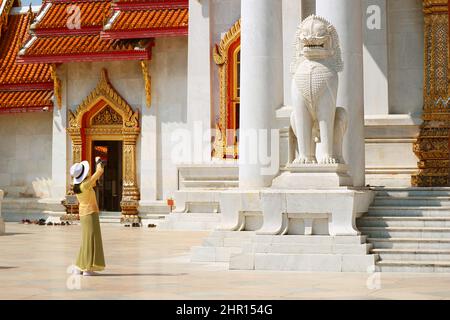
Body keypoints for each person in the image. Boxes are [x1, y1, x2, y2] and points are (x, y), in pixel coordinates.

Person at [70, 157, 106, 276]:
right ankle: (87, 268)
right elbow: (99, 172)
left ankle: (79, 266)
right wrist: (98, 161)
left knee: (86, 240)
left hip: (84, 213)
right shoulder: (85, 185)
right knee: (90, 239)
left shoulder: (78, 186)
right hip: (90, 213)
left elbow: (94, 179)